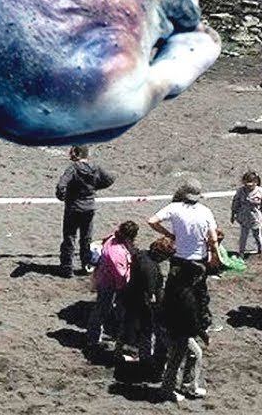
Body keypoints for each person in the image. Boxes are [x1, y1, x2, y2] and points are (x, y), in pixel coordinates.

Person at [148, 180, 217, 364]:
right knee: (199, 293)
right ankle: (201, 326)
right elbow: (212, 238)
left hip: (179, 258)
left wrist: (169, 234)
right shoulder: (205, 211)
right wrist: (215, 255)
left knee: (175, 291)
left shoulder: (174, 207)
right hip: (199, 259)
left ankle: (170, 322)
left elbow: (152, 221)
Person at [56, 145, 115, 276]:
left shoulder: (73, 168)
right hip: (89, 208)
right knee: (86, 238)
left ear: (76, 153)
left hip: (73, 208)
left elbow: (61, 186)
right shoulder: (95, 168)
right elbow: (110, 179)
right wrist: (94, 188)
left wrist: (63, 197)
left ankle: (67, 267)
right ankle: (86, 265)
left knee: (69, 237)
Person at [160, 253, 208, 402]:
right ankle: (168, 391)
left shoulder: (176, 286)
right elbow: (190, 320)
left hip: (170, 329)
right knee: (175, 362)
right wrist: (203, 334)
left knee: (193, 354)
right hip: (178, 333)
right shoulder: (187, 296)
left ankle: (188, 385)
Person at [119, 237, 172, 363]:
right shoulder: (150, 268)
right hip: (141, 302)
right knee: (145, 330)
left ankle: (123, 350)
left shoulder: (141, 254)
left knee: (128, 326)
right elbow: (151, 292)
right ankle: (144, 357)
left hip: (129, 295)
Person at [87, 221, 136, 347]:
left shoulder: (112, 239)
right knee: (103, 309)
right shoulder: (117, 253)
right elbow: (120, 275)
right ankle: (93, 338)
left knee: (104, 308)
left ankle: (96, 336)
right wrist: (124, 288)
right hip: (109, 284)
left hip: (104, 278)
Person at [230, 171, 262, 257]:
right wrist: (233, 214)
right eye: (246, 182)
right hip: (244, 218)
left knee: (257, 235)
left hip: (255, 218)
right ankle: (241, 252)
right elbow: (235, 203)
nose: (248, 185)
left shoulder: (261, 192)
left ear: (256, 182)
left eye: (250, 182)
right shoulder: (240, 191)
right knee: (243, 236)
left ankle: (261, 250)